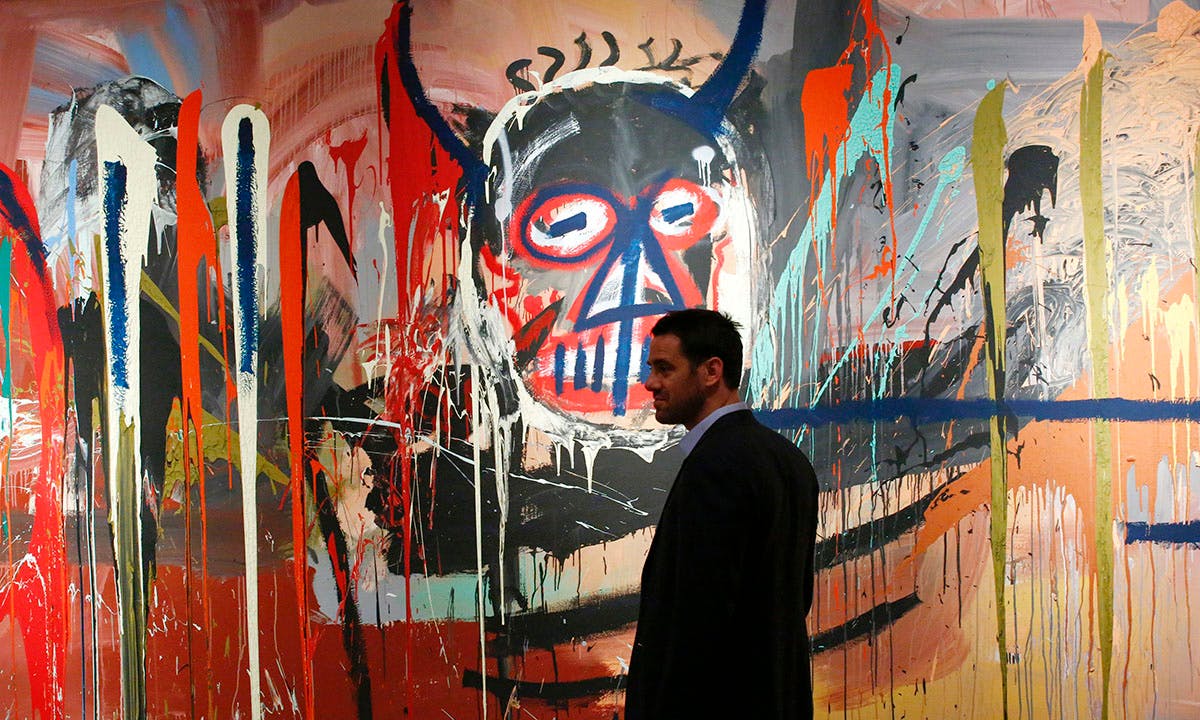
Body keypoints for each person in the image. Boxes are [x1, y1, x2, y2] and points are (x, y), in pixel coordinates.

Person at [625, 308, 819, 720]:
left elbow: (697, 623)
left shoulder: (715, 466)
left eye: (664, 368)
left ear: (711, 371)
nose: (650, 383)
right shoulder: (789, 460)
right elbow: (796, 598)